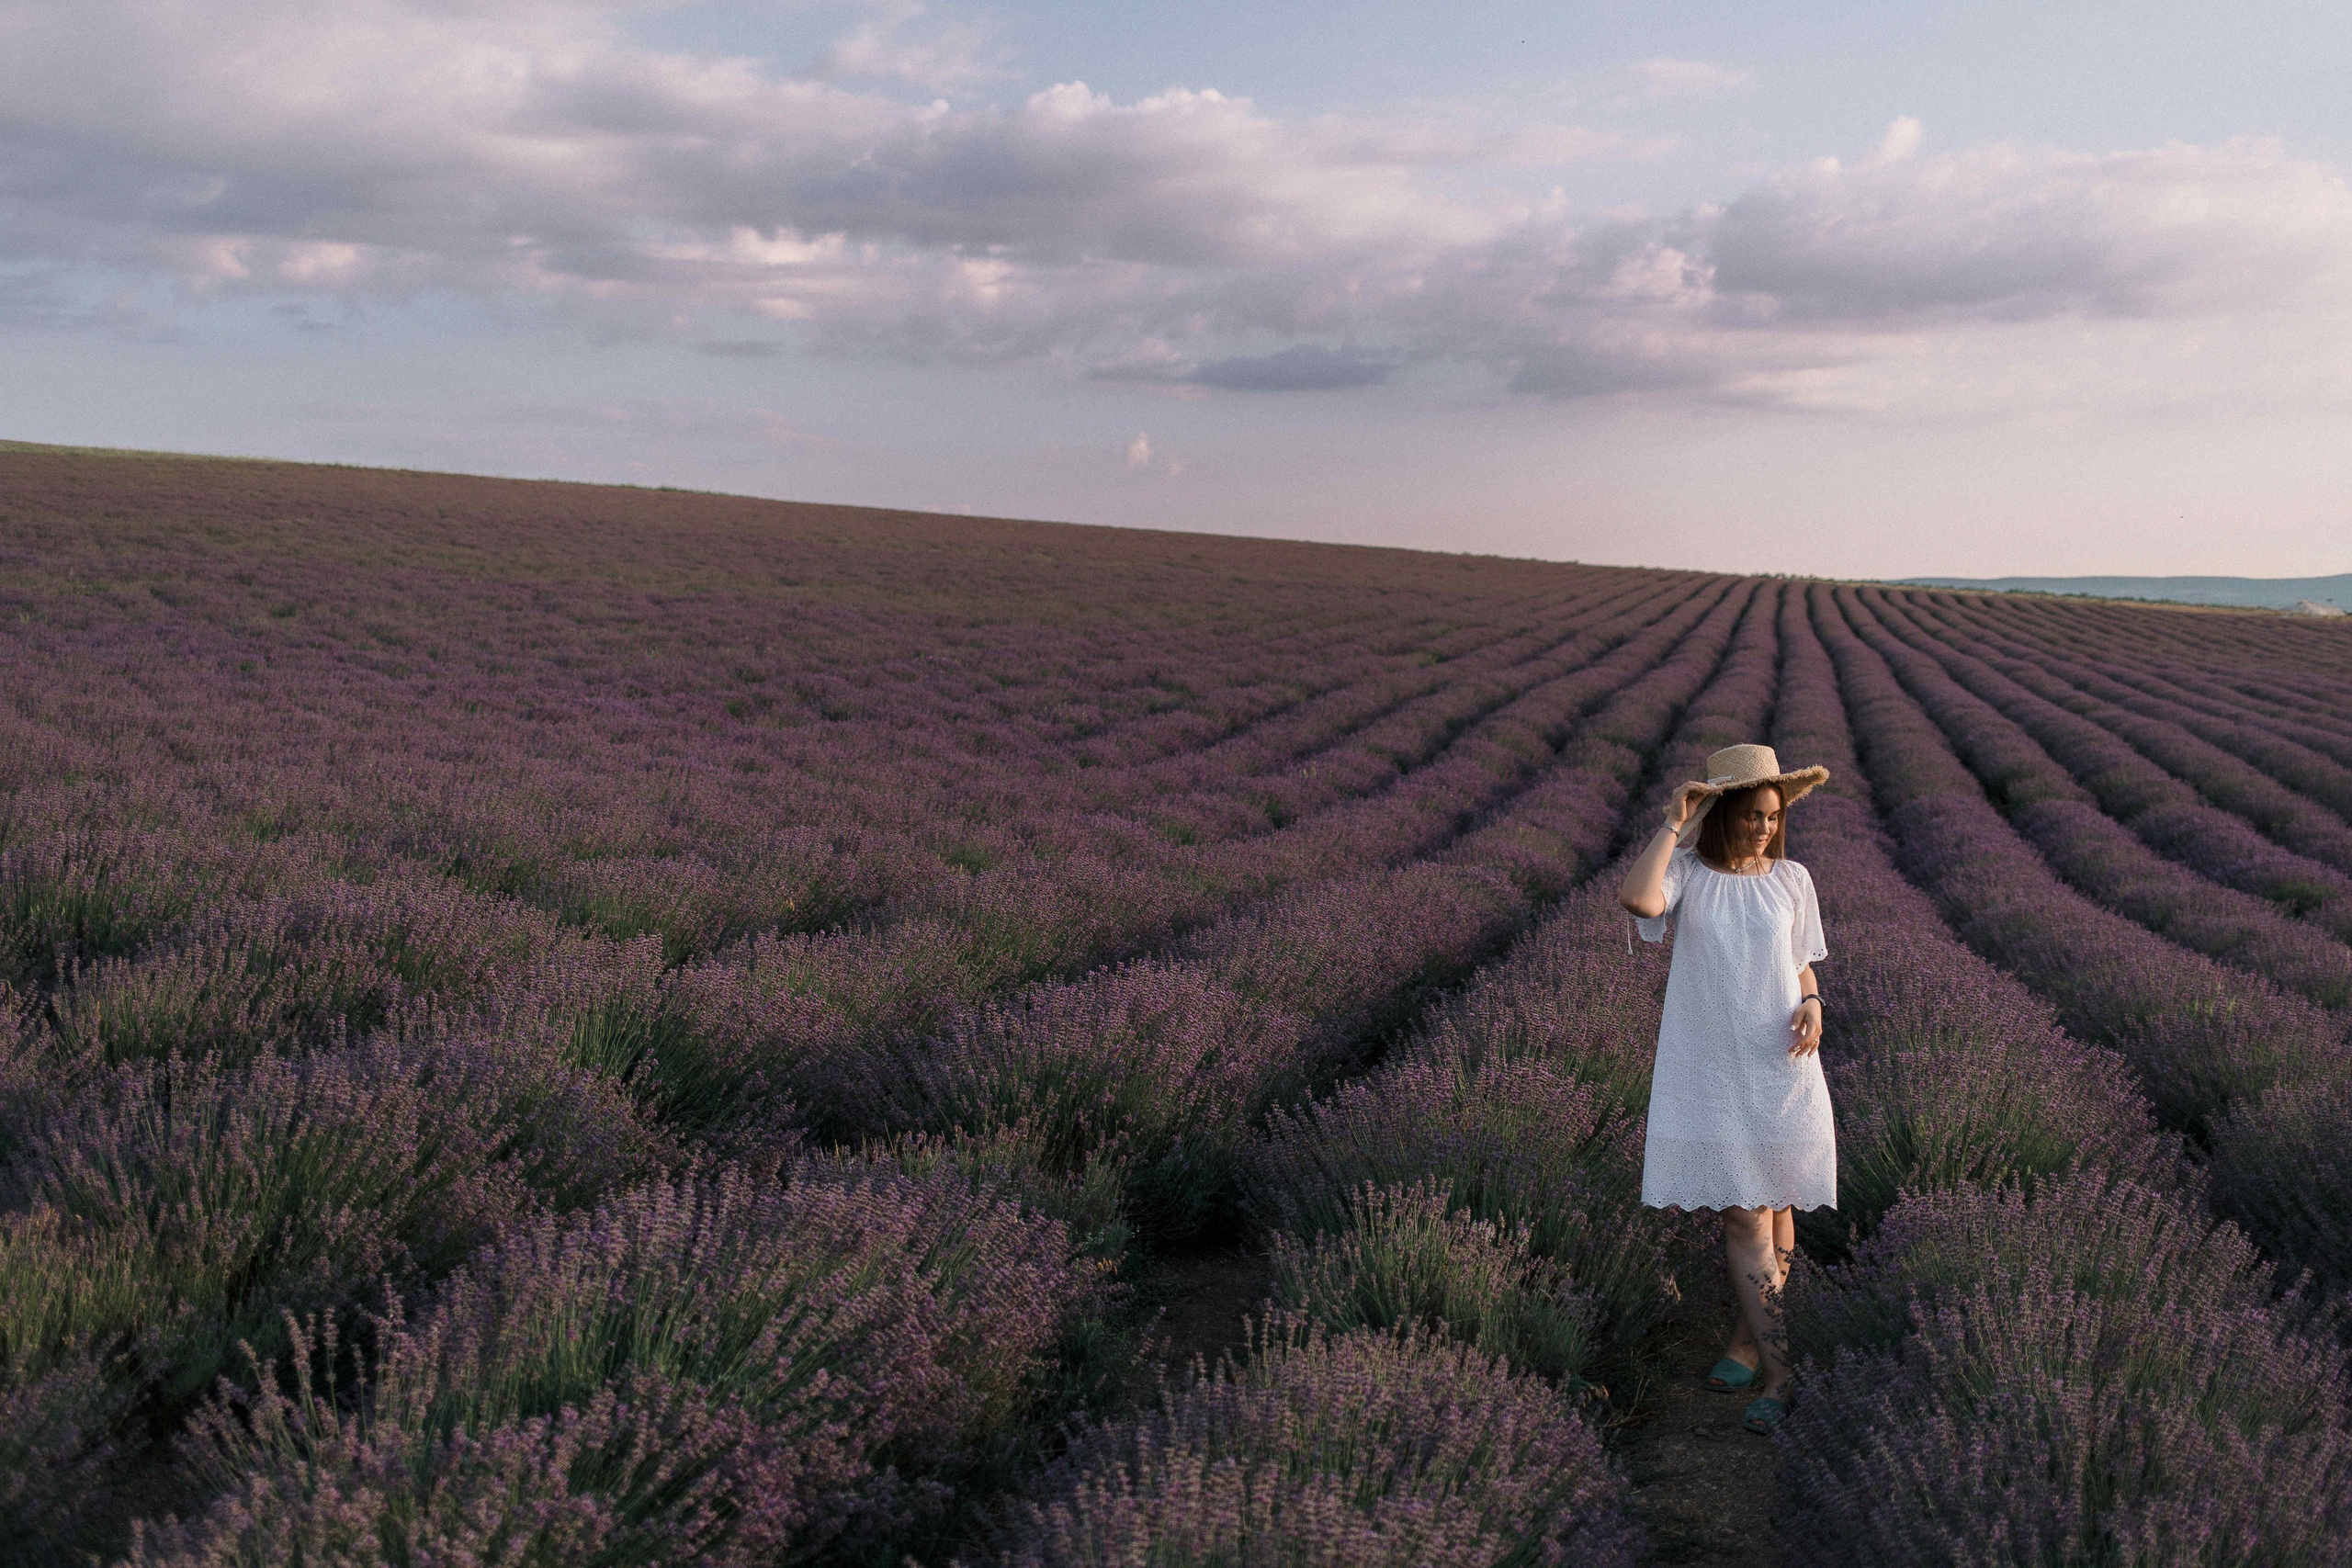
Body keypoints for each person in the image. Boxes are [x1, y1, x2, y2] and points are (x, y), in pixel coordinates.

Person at [1618, 742, 1834, 1436]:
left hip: (1781, 1060)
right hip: (1711, 1065)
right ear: (1722, 812)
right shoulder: (1687, 872)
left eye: (1773, 816)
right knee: (1745, 1216)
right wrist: (1673, 822)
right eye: (1752, 815)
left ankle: (1748, 1342)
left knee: (1779, 1210)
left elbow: (1800, 962)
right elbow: (1637, 897)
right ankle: (1782, 1372)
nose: (1765, 828)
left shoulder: (1793, 878)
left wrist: (1814, 1002)